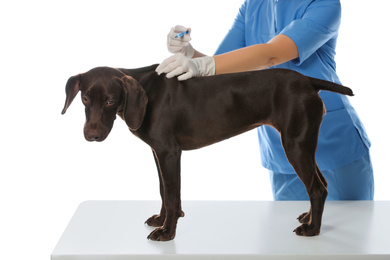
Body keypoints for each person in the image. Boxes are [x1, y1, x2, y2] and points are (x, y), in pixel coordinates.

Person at [156, 0, 374, 200]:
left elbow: (272, 54)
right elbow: (222, 68)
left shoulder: (322, 4)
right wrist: (189, 53)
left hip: (333, 146)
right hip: (279, 152)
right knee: (292, 238)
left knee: (348, 234)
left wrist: (202, 66)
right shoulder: (253, 5)